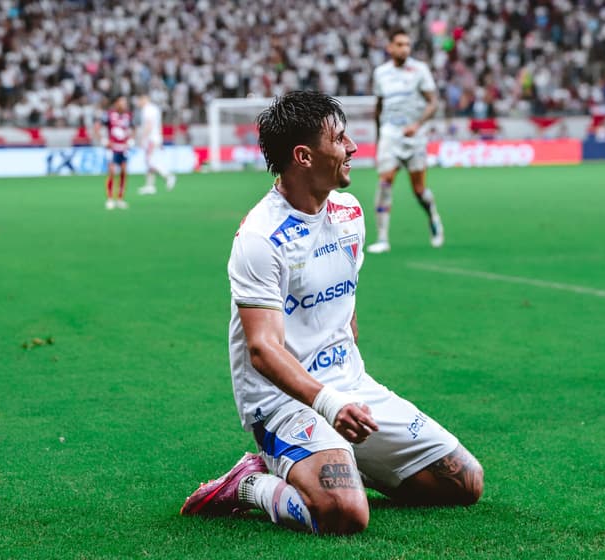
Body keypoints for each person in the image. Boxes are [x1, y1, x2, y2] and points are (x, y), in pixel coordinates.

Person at [180, 91, 483, 535]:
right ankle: (249, 484)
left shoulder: (349, 213)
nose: (353, 147)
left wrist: (348, 388)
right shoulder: (260, 238)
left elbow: (344, 310)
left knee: (464, 481)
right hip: (283, 403)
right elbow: (262, 349)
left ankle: (338, 462)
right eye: (339, 139)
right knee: (344, 514)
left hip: (349, 388)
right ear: (304, 156)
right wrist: (329, 402)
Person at [368, 28, 444, 254]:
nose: (405, 49)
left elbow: (433, 102)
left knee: (418, 189)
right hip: (390, 134)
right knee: (385, 182)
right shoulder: (381, 73)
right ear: (390, 47)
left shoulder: (420, 70)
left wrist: (417, 125)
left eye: (408, 44)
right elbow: (379, 106)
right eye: (400, 44)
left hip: (414, 136)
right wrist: (379, 138)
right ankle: (382, 238)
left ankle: (433, 215)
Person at [94, 96, 132, 210]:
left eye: (125, 102)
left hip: (123, 148)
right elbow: (97, 127)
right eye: (122, 102)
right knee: (111, 172)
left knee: (124, 172)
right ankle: (110, 199)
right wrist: (103, 140)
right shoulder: (109, 114)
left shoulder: (128, 115)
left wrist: (131, 140)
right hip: (112, 148)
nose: (124, 104)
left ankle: (120, 199)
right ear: (116, 103)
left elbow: (133, 128)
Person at [136, 94, 176, 195]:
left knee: (150, 161)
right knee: (150, 161)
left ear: (144, 99)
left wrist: (143, 138)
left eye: (139, 100)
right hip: (156, 137)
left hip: (151, 139)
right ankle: (150, 186)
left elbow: (149, 125)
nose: (138, 103)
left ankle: (168, 176)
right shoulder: (154, 109)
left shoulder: (147, 110)